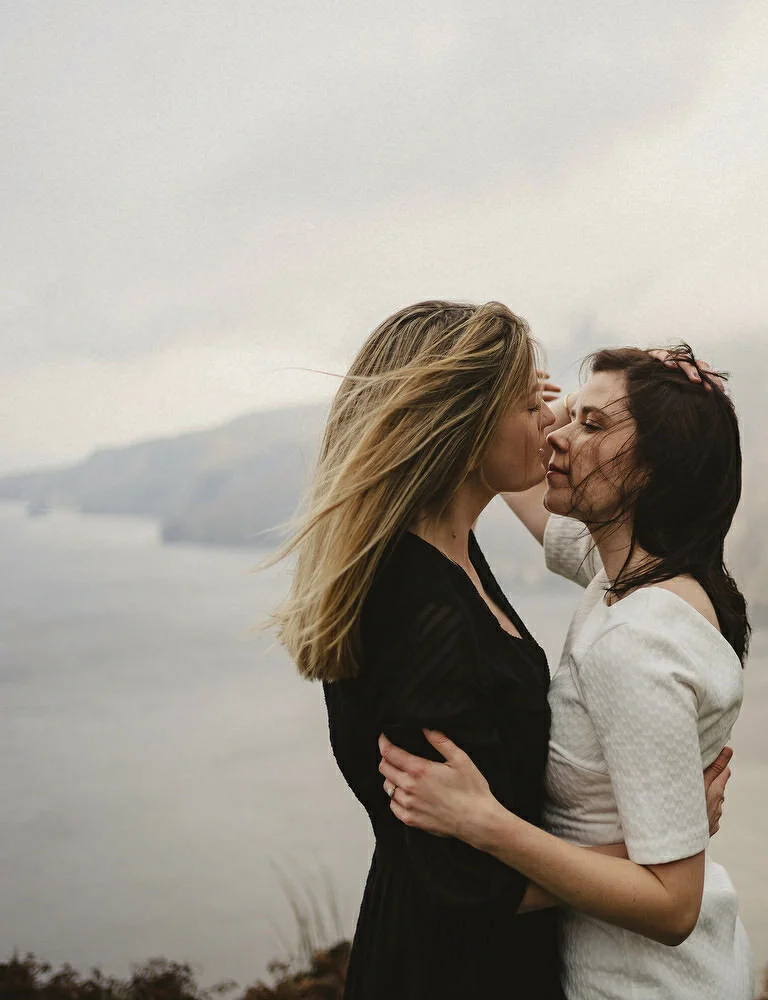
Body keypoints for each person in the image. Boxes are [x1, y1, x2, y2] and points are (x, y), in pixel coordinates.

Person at [267, 302, 730, 999]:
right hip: (453, 975)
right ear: (466, 426)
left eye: (572, 414)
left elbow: (608, 541)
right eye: (532, 406)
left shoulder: (451, 551)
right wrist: (653, 849)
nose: (553, 424)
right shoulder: (421, 616)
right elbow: (460, 885)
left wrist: (545, 405)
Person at [377, 344, 755, 999]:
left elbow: (672, 905)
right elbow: (518, 478)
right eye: (562, 415)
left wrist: (485, 823)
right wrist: (509, 411)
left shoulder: (634, 643)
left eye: (593, 425)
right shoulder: (648, 578)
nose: (556, 432)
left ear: (659, 468)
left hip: (641, 985)